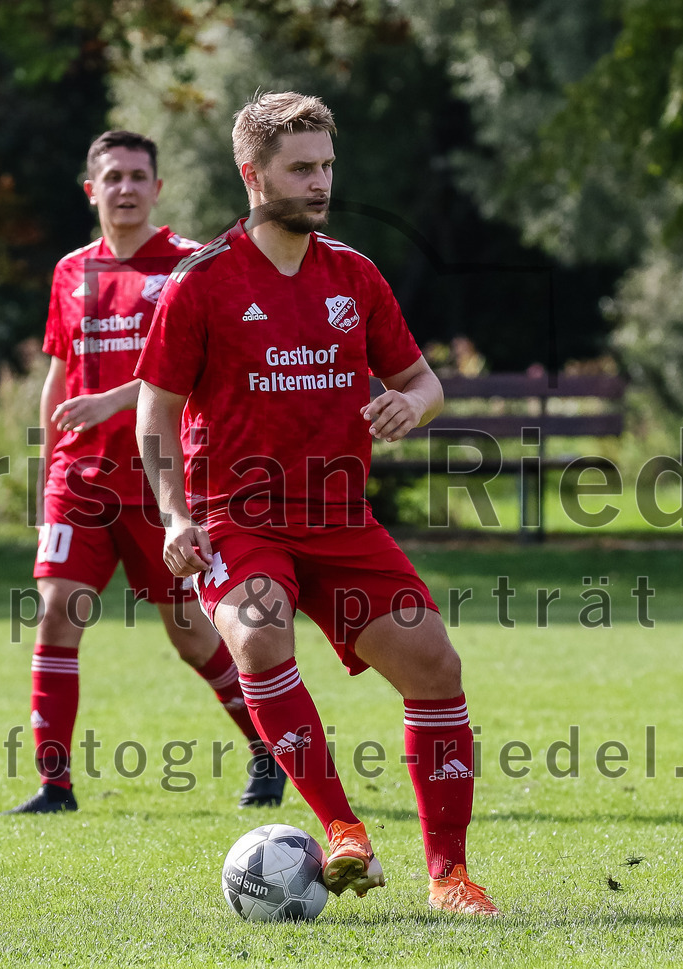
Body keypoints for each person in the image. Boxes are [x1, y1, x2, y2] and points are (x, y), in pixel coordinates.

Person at [133, 92, 498, 915]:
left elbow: (421, 379)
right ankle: (342, 831)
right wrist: (176, 514)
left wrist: (417, 405)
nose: (320, 181)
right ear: (252, 173)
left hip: (339, 519)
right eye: (301, 167)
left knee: (436, 665)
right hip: (235, 514)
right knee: (259, 638)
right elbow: (153, 411)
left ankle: (450, 879)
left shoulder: (354, 274)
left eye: (327, 165)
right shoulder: (202, 283)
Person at [1, 130, 285, 814]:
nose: (125, 187)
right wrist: (47, 477)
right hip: (81, 480)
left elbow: (199, 372)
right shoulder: (71, 271)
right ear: (91, 189)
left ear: (157, 188)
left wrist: (113, 399)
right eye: (112, 176)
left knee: (190, 633)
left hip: (163, 487)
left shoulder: (191, 264)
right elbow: (59, 374)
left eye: (137, 175)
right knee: (56, 613)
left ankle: (267, 750)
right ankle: (54, 785)